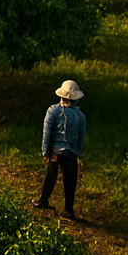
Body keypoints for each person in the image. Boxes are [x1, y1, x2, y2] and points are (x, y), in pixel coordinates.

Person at [34, 79, 87, 220]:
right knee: (70, 181)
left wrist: (46, 150)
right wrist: (79, 152)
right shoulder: (80, 116)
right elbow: (81, 137)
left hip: (55, 152)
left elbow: (47, 132)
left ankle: (43, 200)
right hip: (71, 154)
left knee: (50, 177)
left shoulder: (53, 111)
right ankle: (68, 209)